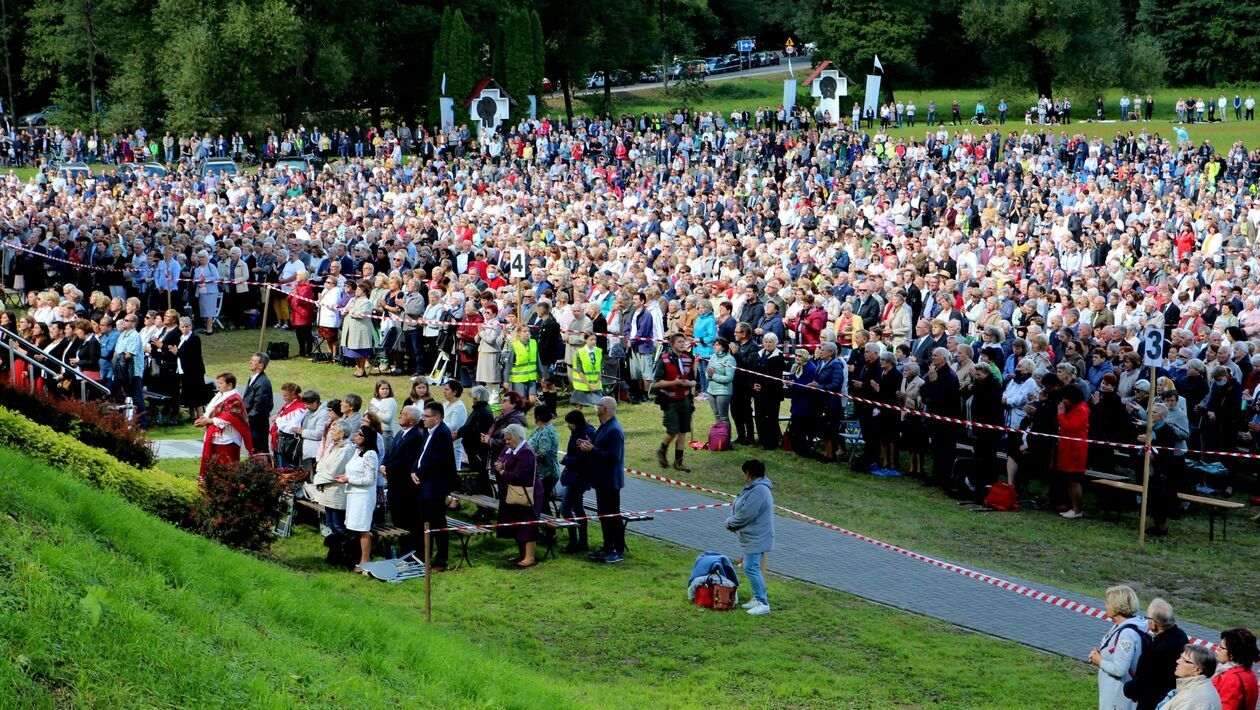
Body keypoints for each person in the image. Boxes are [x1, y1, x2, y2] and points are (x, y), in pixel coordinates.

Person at [411, 401, 458, 572]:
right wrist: (413, 470)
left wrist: (420, 473)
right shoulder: (429, 432)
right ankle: (424, 555)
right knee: (424, 522)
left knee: (438, 524)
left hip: (435, 486)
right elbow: (421, 454)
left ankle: (441, 560)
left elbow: (434, 460)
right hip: (424, 485)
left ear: (437, 418)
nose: (423, 419)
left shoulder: (442, 434)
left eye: (427, 416)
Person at [579, 396, 626, 564]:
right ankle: (607, 546)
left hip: (610, 481)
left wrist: (593, 450)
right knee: (604, 515)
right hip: (602, 480)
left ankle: (617, 549)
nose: (595, 407)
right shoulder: (605, 426)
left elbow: (614, 457)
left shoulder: (614, 430)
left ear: (604, 409)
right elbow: (600, 448)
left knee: (613, 516)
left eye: (598, 405)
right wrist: (589, 445)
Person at [725, 459, 774, 616]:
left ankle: (762, 602)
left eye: (745, 473)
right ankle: (757, 598)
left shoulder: (759, 491)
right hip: (753, 536)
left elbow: (747, 513)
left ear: (749, 473)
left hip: (757, 536)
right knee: (751, 566)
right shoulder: (755, 488)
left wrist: (730, 523)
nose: (744, 476)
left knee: (750, 567)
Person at [1090, 584, 1149, 710]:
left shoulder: (1127, 634)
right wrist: (1100, 654)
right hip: (1112, 697)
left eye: (1108, 602)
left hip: (1118, 701)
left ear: (1117, 606)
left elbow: (1120, 670)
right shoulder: (1119, 626)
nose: (1105, 605)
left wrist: (1099, 661)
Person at [1125, 598, 1191, 710]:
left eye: (1147, 618)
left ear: (1153, 622)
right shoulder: (1181, 636)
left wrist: (1127, 688)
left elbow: (1142, 682)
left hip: (1151, 703)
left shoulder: (1154, 651)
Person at [380, 404, 426, 553]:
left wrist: (388, 468)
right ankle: (403, 548)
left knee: (408, 520)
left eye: (404, 414)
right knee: (397, 518)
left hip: (405, 487)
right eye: (401, 413)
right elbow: (390, 453)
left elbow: (406, 460)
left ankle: (412, 550)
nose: (400, 416)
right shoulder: (400, 433)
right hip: (394, 484)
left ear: (412, 421)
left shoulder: (417, 436)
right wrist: (383, 465)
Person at [495, 423, 541, 568]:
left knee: (528, 525)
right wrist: (500, 467)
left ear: (517, 437)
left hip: (527, 494)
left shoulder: (526, 452)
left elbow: (518, 475)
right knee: (516, 524)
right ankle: (521, 553)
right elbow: (499, 461)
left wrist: (502, 472)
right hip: (513, 493)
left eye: (509, 439)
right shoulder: (509, 449)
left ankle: (530, 557)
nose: (506, 442)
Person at [652, 332, 698, 472]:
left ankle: (678, 462)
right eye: (679, 342)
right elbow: (656, 383)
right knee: (673, 430)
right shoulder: (664, 360)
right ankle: (662, 449)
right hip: (670, 400)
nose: (683, 344)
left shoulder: (688, 359)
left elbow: (694, 380)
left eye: (684, 342)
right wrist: (675, 382)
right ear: (672, 345)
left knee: (683, 430)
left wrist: (689, 384)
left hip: (684, 399)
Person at [195, 372, 252, 480]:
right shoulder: (220, 395)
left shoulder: (235, 399)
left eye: (221, 383)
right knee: (214, 467)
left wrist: (208, 421)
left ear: (229, 385)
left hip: (227, 439)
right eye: (218, 383)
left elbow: (228, 417)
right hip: (215, 437)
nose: (218, 385)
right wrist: (203, 419)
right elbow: (210, 410)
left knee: (226, 469)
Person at [341, 425, 381, 573]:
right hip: (354, 494)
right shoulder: (358, 451)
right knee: (355, 527)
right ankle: (369, 546)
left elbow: (370, 479)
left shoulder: (370, 454)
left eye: (360, 435)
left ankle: (365, 560)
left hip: (363, 496)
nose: (356, 436)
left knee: (362, 528)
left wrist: (349, 479)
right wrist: (346, 477)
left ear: (367, 439)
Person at [310, 420, 354, 547]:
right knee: (330, 523)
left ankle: (346, 550)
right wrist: (319, 478)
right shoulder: (332, 446)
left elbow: (333, 472)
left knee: (338, 525)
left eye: (333, 430)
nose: (330, 432)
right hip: (327, 490)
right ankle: (336, 550)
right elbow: (321, 465)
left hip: (337, 492)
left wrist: (317, 480)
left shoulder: (346, 450)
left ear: (342, 434)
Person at [559, 409, 596, 553]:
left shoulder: (583, 436)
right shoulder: (582, 433)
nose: (568, 426)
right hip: (578, 477)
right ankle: (583, 542)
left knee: (565, 509)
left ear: (575, 423)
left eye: (570, 423)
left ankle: (573, 542)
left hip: (578, 478)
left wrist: (566, 460)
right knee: (578, 509)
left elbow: (581, 459)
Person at [1057, 384, 1091, 519]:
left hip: (1076, 450)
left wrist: (1060, 414)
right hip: (1067, 447)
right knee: (1069, 480)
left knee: (1074, 480)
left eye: (1066, 398)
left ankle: (1078, 509)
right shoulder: (1074, 408)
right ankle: (1073, 507)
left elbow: (1071, 426)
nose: (1064, 401)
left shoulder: (1081, 410)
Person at [1157, 645, 1221, 709]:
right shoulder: (1204, 685)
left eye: (1185, 660)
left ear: (1198, 670)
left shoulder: (1189, 700)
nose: (1178, 661)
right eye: (1181, 657)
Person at [751, 333, 786, 450]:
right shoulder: (759, 354)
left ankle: (772, 442)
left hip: (772, 393)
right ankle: (762, 439)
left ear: (775, 343)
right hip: (758, 392)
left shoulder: (779, 357)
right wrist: (754, 384)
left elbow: (776, 377)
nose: (768, 344)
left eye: (770, 342)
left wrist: (763, 387)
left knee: (771, 418)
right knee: (759, 417)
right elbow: (754, 371)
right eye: (766, 341)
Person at [1212, 628, 1258, 710]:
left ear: (1232, 654)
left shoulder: (1231, 679)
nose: (1216, 649)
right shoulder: (1249, 673)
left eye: (1221, 647)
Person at [172, 317, 207, 420]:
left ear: (190, 327)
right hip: (185, 370)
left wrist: (177, 352)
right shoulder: (182, 338)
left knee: (197, 394)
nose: (185, 329)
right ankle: (192, 415)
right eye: (182, 327)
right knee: (188, 393)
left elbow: (192, 354)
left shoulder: (194, 338)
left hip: (194, 371)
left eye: (187, 327)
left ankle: (200, 416)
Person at [339, 281, 376, 378]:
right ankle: (358, 368)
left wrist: (350, 311)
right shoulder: (352, 300)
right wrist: (346, 311)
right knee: (354, 350)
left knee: (360, 350)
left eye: (360, 290)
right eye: (357, 289)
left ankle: (362, 369)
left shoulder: (367, 302)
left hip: (360, 329)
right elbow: (343, 310)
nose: (357, 291)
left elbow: (361, 314)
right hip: (350, 329)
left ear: (364, 292)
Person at [528, 405, 561, 511]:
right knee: (539, 500)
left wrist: (527, 460)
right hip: (541, 473)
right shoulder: (539, 429)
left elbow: (542, 453)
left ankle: (548, 525)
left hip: (547, 474)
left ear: (537, 417)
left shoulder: (546, 432)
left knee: (542, 501)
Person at [243, 351, 273, 457]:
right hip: (252, 424)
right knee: (253, 450)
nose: (250, 362)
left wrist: (247, 418)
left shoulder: (262, 383)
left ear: (261, 365)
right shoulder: (253, 379)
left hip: (257, 425)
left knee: (259, 452)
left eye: (254, 361)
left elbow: (259, 406)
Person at [459, 385, 494, 476]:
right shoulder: (482, 410)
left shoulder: (482, 412)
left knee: (479, 474)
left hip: (477, 450)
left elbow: (472, 429)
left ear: (476, 398)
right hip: (475, 449)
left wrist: (460, 434)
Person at [270, 381, 306, 469]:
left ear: (293, 395)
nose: (283, 398)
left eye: (285, 396)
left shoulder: (299, 408)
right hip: (280, 441)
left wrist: (278, 419)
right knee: (278, 465)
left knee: (285, 467)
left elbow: (290, 427)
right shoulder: (288, 405)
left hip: (287, 443)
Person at [706, 336, 736, 427]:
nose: (715, 347)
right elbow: (707, 372)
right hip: (711, 390)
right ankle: (718, 438)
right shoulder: (713, 356)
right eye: (714, 345)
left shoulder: (729, 359)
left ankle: (726, 439)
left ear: (723, 347)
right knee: (717, 416)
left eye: (717, 345)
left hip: (723, 391)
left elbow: (729, 378)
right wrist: (709, 376)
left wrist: (713, 376)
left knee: (723, 417)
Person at [569, 330, 603, 408]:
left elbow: (600, 370)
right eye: (591, 339)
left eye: (595, 339)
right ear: (585, 340)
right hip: (582, 385)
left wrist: (597, 384)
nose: (593, 341)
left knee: (600, 406)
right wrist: (589, 385)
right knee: (579, 407)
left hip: (596, 385)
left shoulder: (599, 351)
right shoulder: (579, 353)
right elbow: (580, 371)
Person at [442, 380, 468, 469]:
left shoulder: (459, 407)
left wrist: (438, 422)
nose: (444, 392)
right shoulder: (445, 404)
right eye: (444, 389)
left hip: (454, 445)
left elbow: (454, 426)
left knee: (454, 468)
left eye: (447, 389)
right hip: (444, 442)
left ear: (455, 392)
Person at [368, 379, 398, 448]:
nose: (385, 391)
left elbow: (387, 418)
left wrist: (374, 410)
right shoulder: (374, 399)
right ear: (377, 389)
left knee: (385, 455)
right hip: (373, 431)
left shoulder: (390, 401)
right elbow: (368, 413)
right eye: (382, 389)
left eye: (387, 389)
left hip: (384, 432)